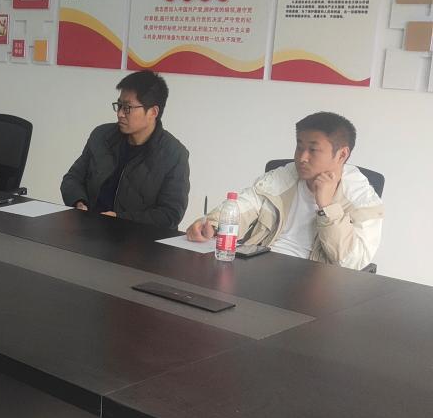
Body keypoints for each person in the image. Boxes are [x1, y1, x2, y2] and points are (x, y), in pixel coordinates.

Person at [185, 111, 382, 269]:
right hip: (260, 268)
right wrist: (213, 224)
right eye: (299, 147)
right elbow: (245, 204)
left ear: (342, 154)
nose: (302, 158)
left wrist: (327, 207)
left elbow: (353, 262)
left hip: (315, 285)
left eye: (313, 150)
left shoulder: (363, 200)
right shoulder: (283, 177)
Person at [59, 71, 189, 231]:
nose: (120, 113)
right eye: (119, 105)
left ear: (153, 112)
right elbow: (72, 179)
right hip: (91, 231)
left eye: (127, 108)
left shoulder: (174, 154)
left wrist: (120, 219)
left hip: (139, 240)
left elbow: (170, 214)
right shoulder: (101, 136)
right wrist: (79, 203)